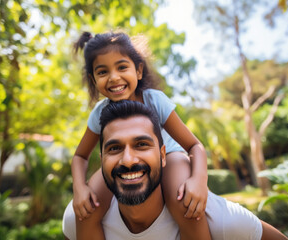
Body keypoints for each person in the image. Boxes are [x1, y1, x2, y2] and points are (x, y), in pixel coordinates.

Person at [63, 100, 288, 240]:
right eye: (115, 148)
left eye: (141, 144)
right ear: (101, 159)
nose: (128, 160)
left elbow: (194, 146)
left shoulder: (222, 223)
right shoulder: (80, 219)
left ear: (163, 155)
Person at [71, 30, 210, 239]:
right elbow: (79, 156)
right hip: (123, 163)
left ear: (138, 70)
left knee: (186, 205)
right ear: (93, 79)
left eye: (122, 67)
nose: (114, 77)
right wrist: (79, 188)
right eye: (102, 72)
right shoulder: (99, 113)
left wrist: (199, 180)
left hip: (168, 156)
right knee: (86, 211)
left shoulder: (155, 100)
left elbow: (194, 146)